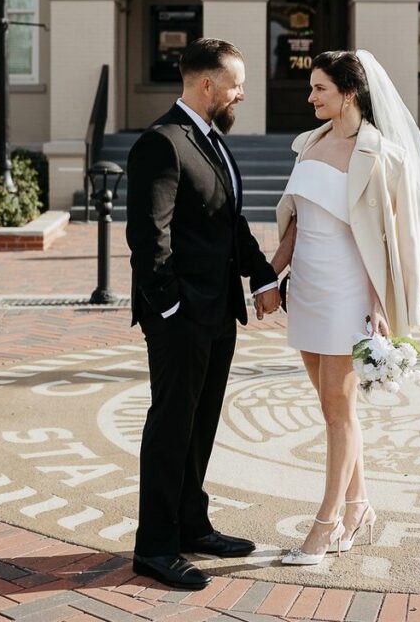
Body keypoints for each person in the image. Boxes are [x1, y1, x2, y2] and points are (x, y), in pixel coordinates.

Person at [271, 49, 420, 565]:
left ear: (349, 92)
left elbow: (396, 242)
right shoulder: (308, 144)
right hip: (305, 288)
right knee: (334, 410)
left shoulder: (383, 156)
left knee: (336, 413)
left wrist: (382, 309)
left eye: (320, 88)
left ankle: (324, 526)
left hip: (350, 294)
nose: (310, 97)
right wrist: (269, 275)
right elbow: (295, 222)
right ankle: (359, 507)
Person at [126, 38, 280, 591]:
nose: (242, 93)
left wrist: (261, 273)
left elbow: (227, 223)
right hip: (181, 317)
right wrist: (169, 308)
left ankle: (192, 525)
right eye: (236, 84)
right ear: (207, 85)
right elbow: (148, 238)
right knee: (171, 426)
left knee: (201, 424)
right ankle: (155, 547)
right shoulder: (162, 143)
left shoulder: (212, 141)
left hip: (218, 313)